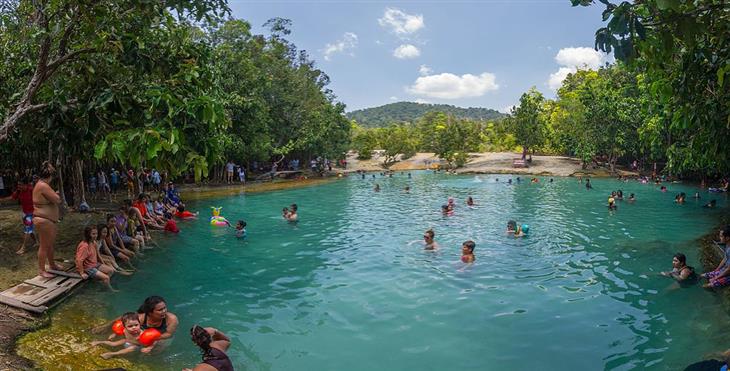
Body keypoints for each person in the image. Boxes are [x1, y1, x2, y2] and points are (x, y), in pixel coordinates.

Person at [33, 161, 62, 278]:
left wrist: (54, 195)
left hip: (47, 220)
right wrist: (56, 195)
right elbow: (57, 200)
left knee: (49, 244)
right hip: (44, 220)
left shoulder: (41, 185)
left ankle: (52, 264)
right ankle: (41, 270)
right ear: (49, 176)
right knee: (44, 245)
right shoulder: (43, 186)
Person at [75, 225, 116, 290]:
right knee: (106, 278)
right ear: (88, 234)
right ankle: (110, 290)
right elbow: (79, 260)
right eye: (93, 234)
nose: (96, 236)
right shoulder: (84, 246)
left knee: (111, 270)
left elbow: (98, 254)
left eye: (96, 233)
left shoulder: (93, 242)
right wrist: (82, 273)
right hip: (87, 267)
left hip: (94, 264)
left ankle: (102, 284)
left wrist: (103, 264)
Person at [12, 177, 36, 255]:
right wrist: (17, 191)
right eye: (18, 185)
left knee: (27, 230)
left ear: (26, 185)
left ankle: (23, 248)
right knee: (29, 230)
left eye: (21, 185)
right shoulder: (19, 191)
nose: (19, 186)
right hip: (25, 213)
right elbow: (13, 198)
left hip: (31, 213)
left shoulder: (31, 190)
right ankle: (37, 242)